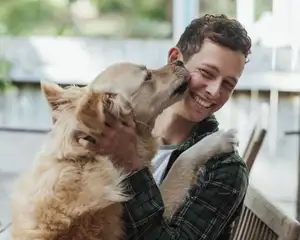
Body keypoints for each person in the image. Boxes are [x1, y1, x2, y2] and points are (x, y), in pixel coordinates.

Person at [80, 14, 252, 239]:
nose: (214, 91)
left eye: (228, 84)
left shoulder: (224, 168)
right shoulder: (114, 127)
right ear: (175, 60)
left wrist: (130, 164)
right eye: (207, 73)